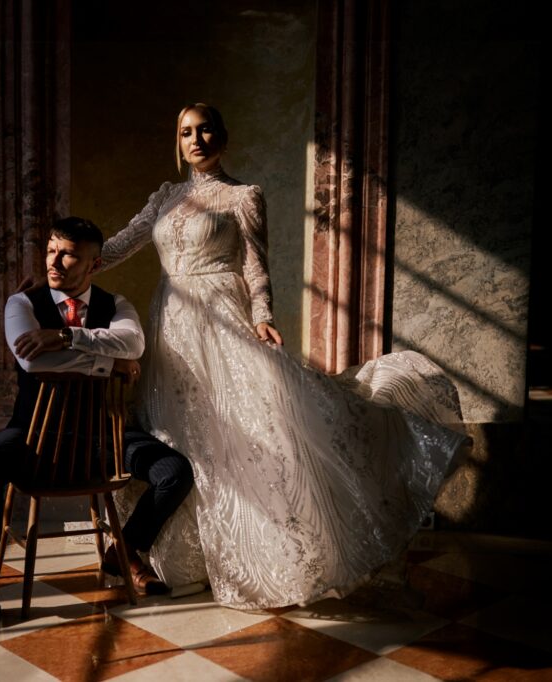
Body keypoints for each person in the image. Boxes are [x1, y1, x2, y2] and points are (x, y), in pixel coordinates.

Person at [97, 103, 470, 610]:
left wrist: (263, 316)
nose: (196, 139)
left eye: (206, 130)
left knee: (239, 429)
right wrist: (64, 265)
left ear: (223, 137)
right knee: (182, 434)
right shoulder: (165, 197)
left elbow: (255, 265)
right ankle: (187, 557)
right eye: (186, 132)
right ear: (178, 142)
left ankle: (260, 552)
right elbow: (117, 246)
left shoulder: (243, 195)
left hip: (223, 317)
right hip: (173, 329)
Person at [0, 217, 194, 641]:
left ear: (94, 264)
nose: (54, 262)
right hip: (33, 436)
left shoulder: (116, 304)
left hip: (101, 437)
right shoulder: (21, 303)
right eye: (51, 250)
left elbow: (134, 343)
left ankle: (124, 550)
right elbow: (33, 360)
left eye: (68, 254)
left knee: (175, 472)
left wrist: (65, 337)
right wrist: (110, 362)